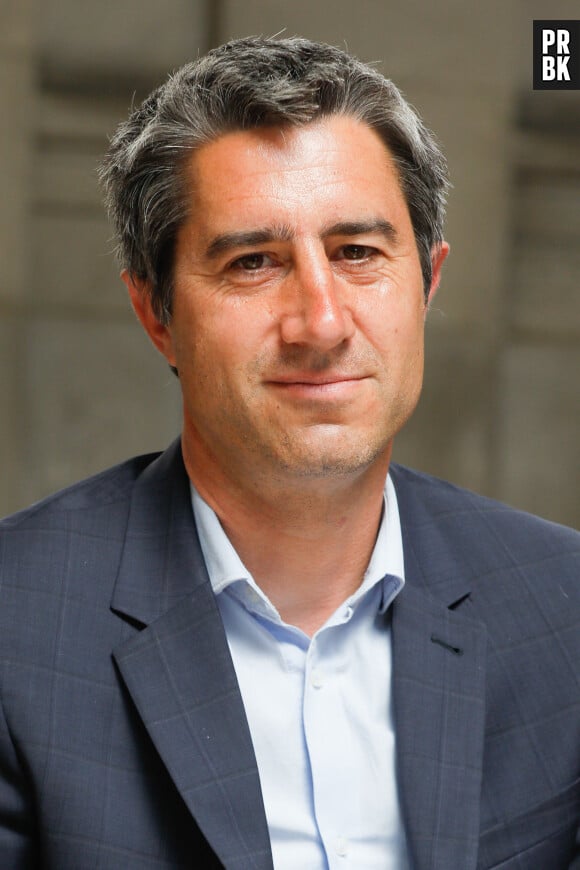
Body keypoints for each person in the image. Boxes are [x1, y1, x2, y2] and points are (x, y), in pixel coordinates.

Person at [0, 35, 579, 870]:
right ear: (155, 311)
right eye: (254, 262)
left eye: (358, 254)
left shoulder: (563, 608)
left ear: (429, 282)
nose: (322, 322)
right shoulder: (17, 625)